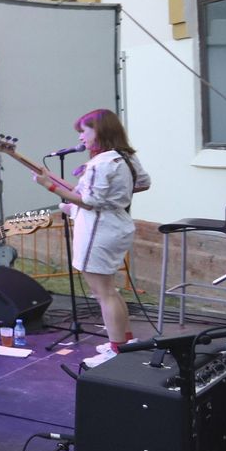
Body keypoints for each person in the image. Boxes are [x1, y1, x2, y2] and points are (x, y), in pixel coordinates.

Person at [35, 108, 150, 368]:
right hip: (117, 224)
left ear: (100, 131)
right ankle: (124, 341)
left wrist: (49, 185)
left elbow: (89, 201)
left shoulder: (100, 163)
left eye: (84, 132)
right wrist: (109, 194)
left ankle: (116, 348)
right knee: (110, 291)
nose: (81, 139)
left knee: (103, 293)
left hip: (98, 231)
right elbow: (142, 183)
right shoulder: (125, 158)